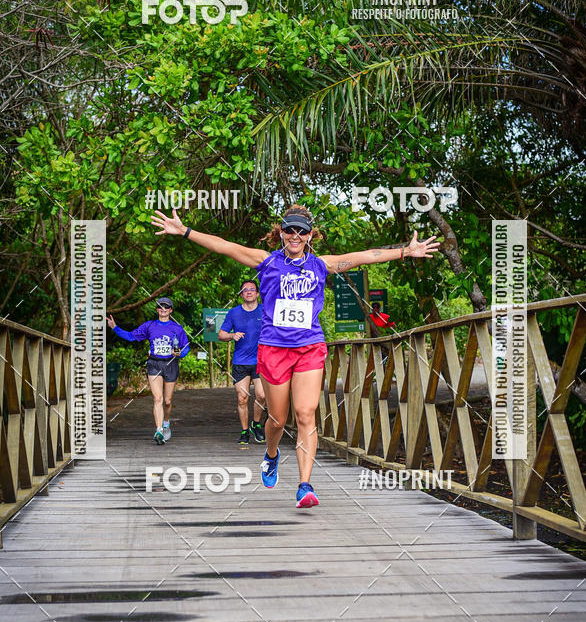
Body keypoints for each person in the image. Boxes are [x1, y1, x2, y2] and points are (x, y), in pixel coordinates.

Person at [150, 204, 440, 507]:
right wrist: (184, 231)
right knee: (277, 418)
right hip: (274, 348)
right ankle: (271, 455)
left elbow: (365, 256)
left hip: (309, 347)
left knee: (305, 414)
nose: (296, 235)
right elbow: (225, 246)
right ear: (281, 232)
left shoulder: (321, 265)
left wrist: (406, 252)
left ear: (310, 235)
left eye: (302, 231)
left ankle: (305, 485)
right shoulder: (267, 262)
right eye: (290, 229)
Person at [106, 296, 190, 444]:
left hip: (171, 365)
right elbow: (131, 336)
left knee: (168, 401)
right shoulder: (149, 326)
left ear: (170, 310)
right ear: (157, 309)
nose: (162, 309)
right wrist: (115, 328)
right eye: (160, 306)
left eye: (166, 307)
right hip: (154, 364)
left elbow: (186, 347)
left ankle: (166, 424)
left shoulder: (177, 328)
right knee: (158, 398)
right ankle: (158, 431)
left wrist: (180, 353)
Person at [217, 279, 267, 447]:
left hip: (260, 360)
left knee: (262, 395)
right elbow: (221, 334)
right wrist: (232, 335)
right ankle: (245, 431)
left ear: (257, 294)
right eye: (245, 290)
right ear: (241, 294)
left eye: (252, 289)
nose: (249, 292)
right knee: (242, 398)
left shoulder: (265, 310)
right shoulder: (233, 313)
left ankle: (256, 423)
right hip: (241, 361)